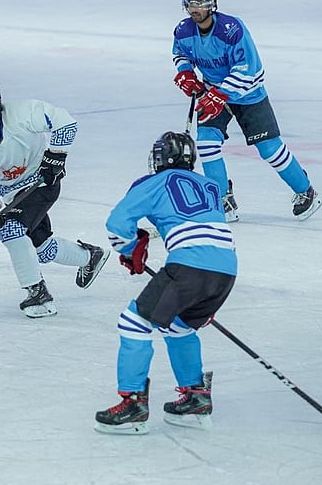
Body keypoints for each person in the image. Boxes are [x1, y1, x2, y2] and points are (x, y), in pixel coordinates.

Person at [94, 131, 237, 434]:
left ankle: (132, 405)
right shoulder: (210, 185)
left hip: (189, 266)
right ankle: (195, 397)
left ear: (158, 159)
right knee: (179, 325)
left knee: (133, 323)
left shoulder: (153, 182)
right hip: (226, 271)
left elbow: (117, 228)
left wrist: (132, 249)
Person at [171, 0, 320, 222]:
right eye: (191, 4)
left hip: (247, 94)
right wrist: (186, 73)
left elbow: (249, 70)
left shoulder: (232, 30)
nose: (195, 9)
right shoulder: (184, 30)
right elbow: (180, 53)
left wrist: (220, 95)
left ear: (212, 4)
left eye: (201, 3)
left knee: (270, 150)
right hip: (213, 93)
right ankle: (221, 200)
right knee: (207, 144)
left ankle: (306, 191)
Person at [0, 80, 109, 318]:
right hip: (11, 195)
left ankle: (38, 293)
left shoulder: (23, 113)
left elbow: (66, 123)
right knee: (41, 249)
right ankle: (89, 257)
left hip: (41, 182)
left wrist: (56, 156)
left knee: (11, 232)